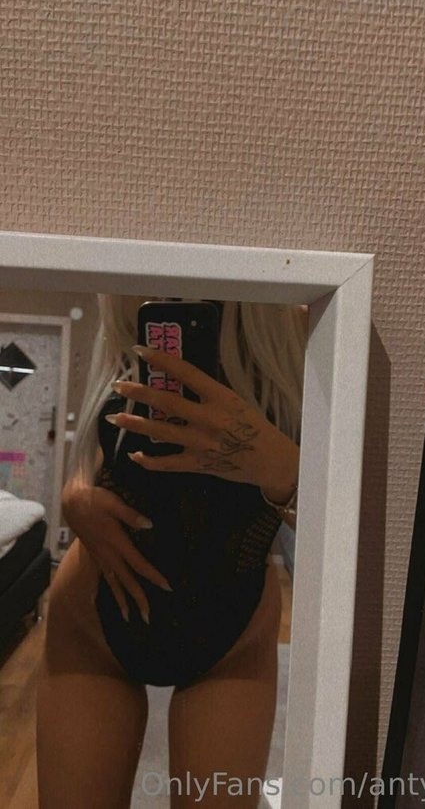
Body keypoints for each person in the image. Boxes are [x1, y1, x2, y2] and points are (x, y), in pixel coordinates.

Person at [36, 293, 308, 809]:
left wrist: (287, 472)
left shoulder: (302, 314)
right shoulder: (132, 300)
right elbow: (106, 430)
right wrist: (76, 490)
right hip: (93, 619)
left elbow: (354, 527)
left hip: (232, 634)